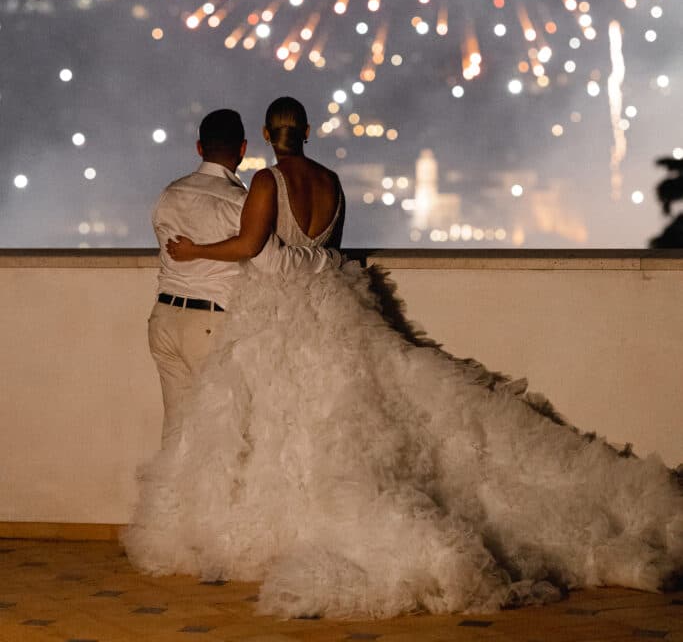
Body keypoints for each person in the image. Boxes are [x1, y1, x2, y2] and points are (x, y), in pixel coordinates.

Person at [125, 97, 683, 620]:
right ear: (307, 132)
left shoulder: (268, 181)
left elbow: (252, 248)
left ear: (269, 138)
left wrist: (195, 250)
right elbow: (325, 251)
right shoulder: (332, 182)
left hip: (279, 309)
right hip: (335, 303)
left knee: (287, 423)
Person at [149, 106, 340, 443]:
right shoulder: (241, 202)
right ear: (242, 148)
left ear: (199, 148)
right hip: (210, 324)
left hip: (164, 320)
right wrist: (326, 258)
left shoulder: (168, 194)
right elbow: (271, 261)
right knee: (223, 438)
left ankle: (172, 498)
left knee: (176, 432)